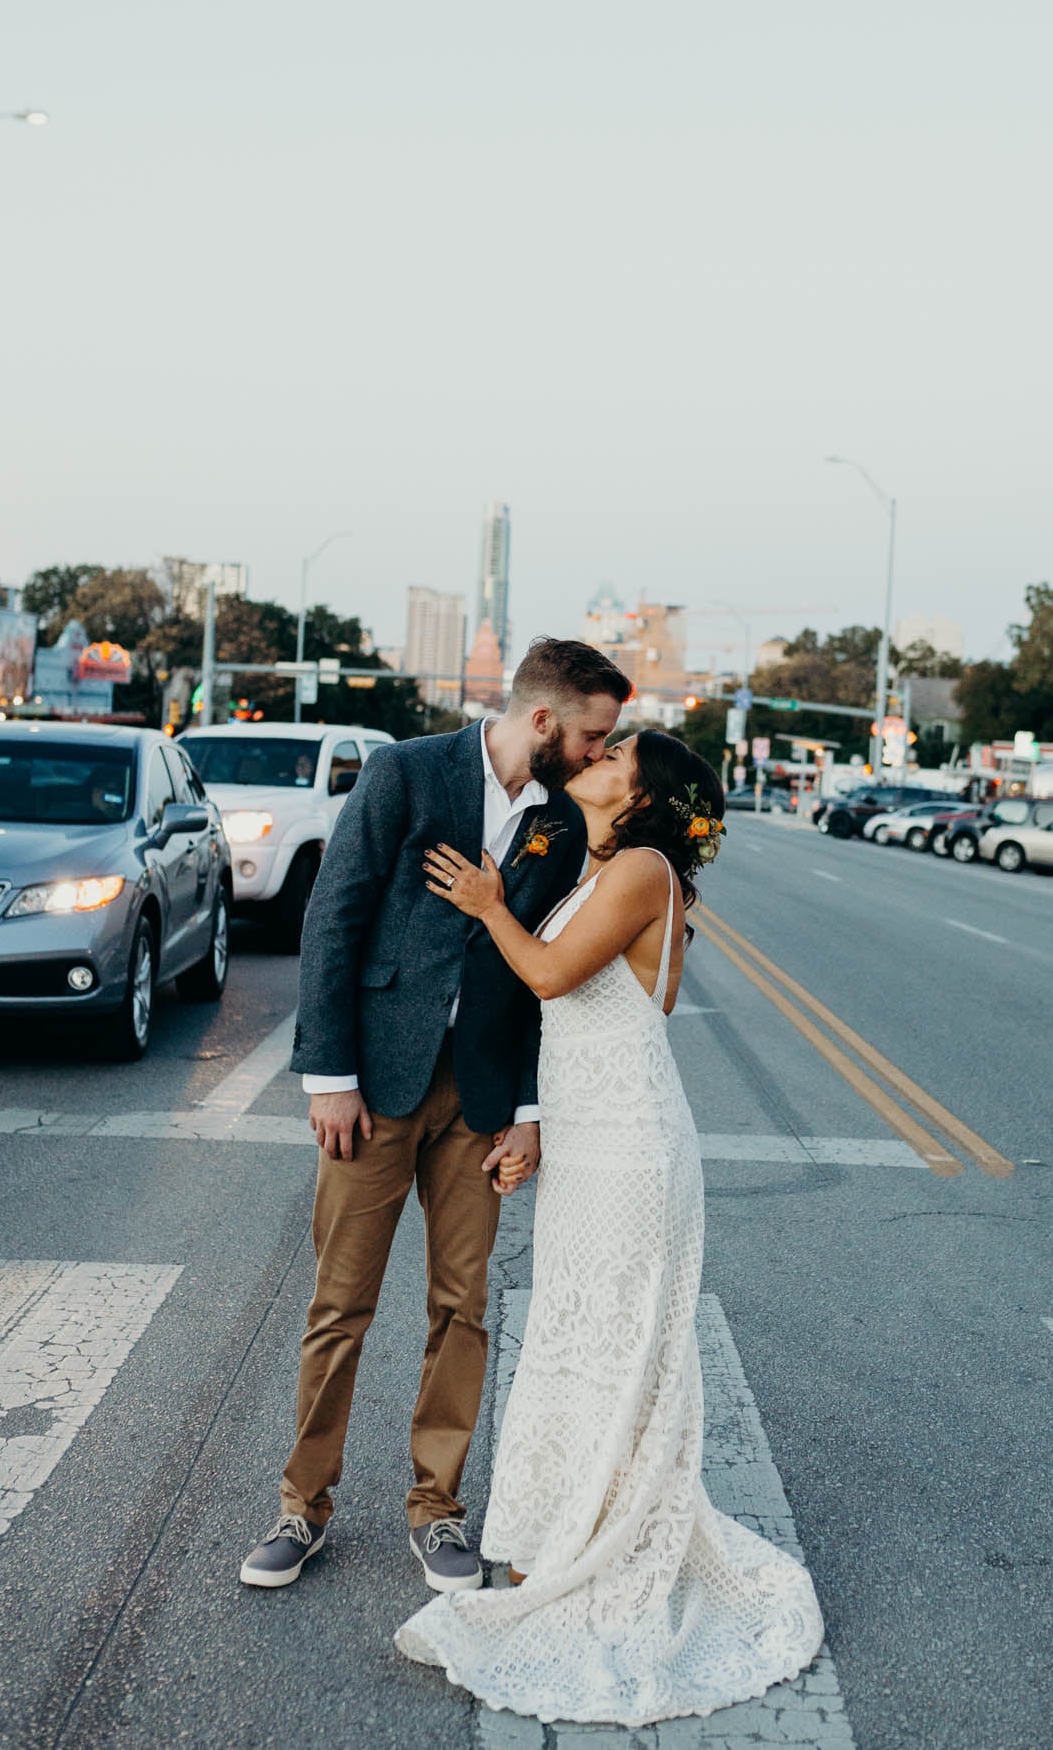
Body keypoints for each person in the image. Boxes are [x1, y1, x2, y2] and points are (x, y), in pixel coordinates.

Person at [395, 729, 824, 1726]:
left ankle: (597, 1539)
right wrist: (538, 1122)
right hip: (595, 1136)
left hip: (630, 1149)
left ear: (643, 793)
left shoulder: (638, 867)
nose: (598, 751)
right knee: (579, 1334)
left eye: (618, 749)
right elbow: (594, 1008)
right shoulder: (609, 864)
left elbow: (546, 979)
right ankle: (562, 1529)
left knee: (610, 1340)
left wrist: (490, 905)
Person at [239, 637, 631, 1594]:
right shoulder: (405, 774)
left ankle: (438, 1508)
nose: (594, 753)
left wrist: (527, 1110)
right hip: (372, 1084)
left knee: (464, 1306)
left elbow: (545, 982)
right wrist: (327, 1072)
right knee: (341, 1304)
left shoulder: (563, 827)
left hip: (481, 1094)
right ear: (543, 721)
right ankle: (303, 1503)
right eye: (591, 735)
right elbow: (334, 915)